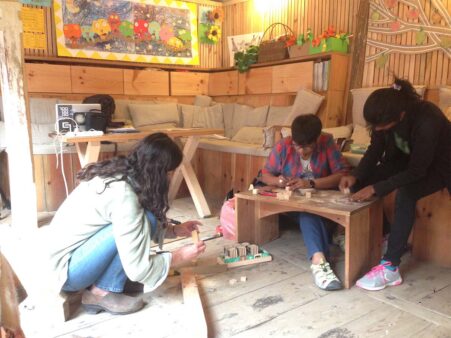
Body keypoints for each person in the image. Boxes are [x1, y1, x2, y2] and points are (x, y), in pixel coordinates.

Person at [38, 133, 206, 315]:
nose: (169, 177)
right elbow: (137, 269)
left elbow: (142, 223)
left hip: (69, 257)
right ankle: (100, 292)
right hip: (66, 273)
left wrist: (174, 230)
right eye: (168, 172)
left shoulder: (121, 173)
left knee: (146, 219)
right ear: (158, 173)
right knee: (136, 224)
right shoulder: (123, 196)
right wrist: (179, 255)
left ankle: (110, 281)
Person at [339, 78, 451, 291]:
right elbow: (375, 150)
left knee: (406, 193)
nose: (378, 131)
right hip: (407, 161)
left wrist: (376, 188)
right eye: (376, 128)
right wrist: (357, 175)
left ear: (400, 116)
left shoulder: (428, 119)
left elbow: (418, 170)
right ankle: (386, 233)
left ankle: (390, 267)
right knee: (363, 181)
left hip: (440, 165)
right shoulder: (385, 120)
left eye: (382, 127)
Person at [259, 114, 351, 291]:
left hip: (321, 200)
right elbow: (265, 174)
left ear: (317, 139)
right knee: (307, 213)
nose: (301, 151)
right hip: (293, 201)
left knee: (310, 213)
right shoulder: (283, 146)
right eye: (297, 146)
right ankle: (320, 261)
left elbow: (342, 174)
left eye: (308, 146)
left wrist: (311, 183)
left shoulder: (327, 142)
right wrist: (279, 181)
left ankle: (320, 259)